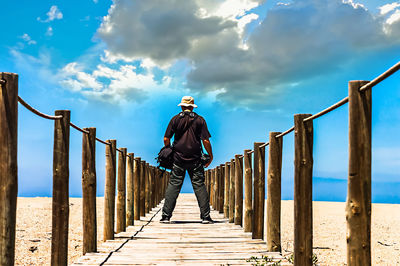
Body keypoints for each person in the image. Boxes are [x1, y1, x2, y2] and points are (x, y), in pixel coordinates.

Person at [160, 96, 214, 224]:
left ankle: (166, 216)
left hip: (178, 158)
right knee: (199, 186)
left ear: (182, 106)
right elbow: (205, 140)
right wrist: (210, 155)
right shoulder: (200, 120)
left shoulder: (175, 119)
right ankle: (205, 217)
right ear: (192, 106)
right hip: (195, 158)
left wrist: (168, 149)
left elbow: (166, 138)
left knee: (174, 185)